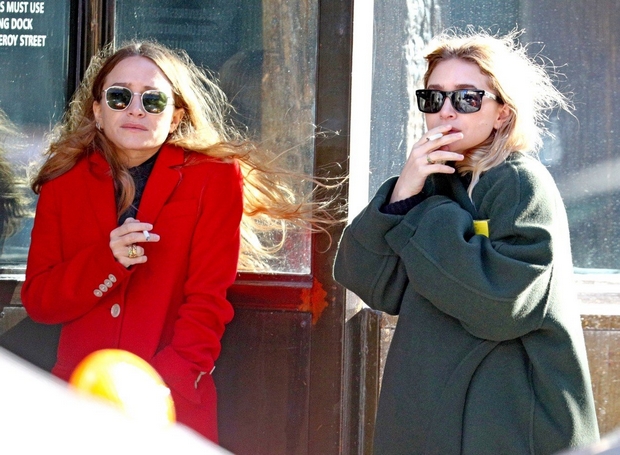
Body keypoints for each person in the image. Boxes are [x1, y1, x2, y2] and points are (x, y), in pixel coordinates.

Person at [21, 40, 327, 442]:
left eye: (153, 101)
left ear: (176, 116)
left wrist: (166, 382)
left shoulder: (214, 177)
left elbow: (207, 300)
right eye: (119, 97)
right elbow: (40, 302)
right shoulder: (64, 182)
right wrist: (107, 261)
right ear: (97, 110)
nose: (135, 109)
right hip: (80, 403)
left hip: (170, 402)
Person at [334, 29, 600, 454]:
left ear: (502, 114)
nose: (446, 111)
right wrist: (403, 193)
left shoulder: (519, 182)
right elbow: (367, 279)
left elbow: (501, 306)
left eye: (466, 98)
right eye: (433, 97)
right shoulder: (431, 182)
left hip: (508, 421)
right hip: (434, 415)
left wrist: (427, 214)